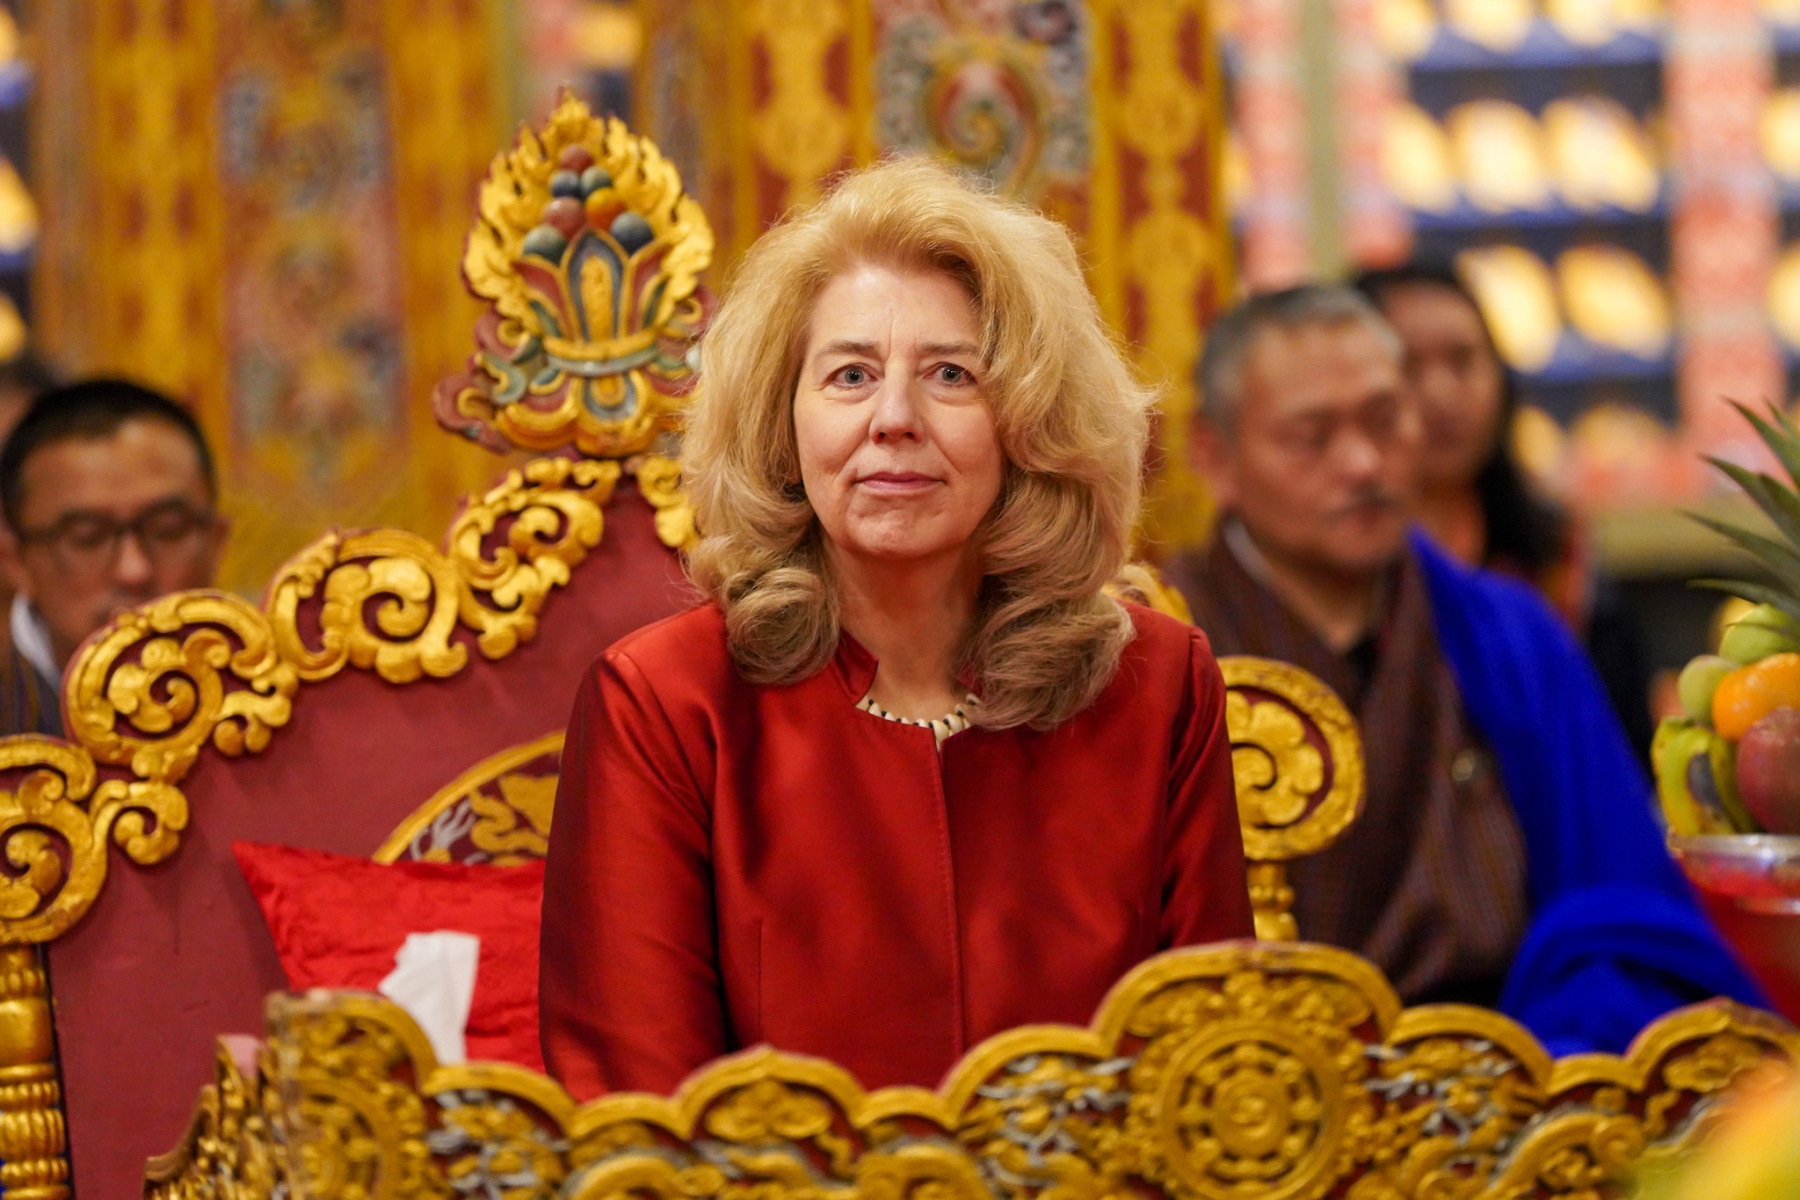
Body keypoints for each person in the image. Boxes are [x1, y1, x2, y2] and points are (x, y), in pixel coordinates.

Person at [540, 158, 1254, 1100]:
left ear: (1030, 422)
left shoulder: (1155, 685)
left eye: (951, 375)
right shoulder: (666, 703)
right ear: (782, 423)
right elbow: (641, 1112)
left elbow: (1211, 1071)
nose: (894, 419)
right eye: (850, 375)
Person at [1167, 285, 1761, 1056]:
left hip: (1516, 1068)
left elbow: (1624, 906)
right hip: (1256, 1087)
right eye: (1311, 437)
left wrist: (1552, 1055)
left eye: (1385, 420)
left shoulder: (1511, 634)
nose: (1363, 463)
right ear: (1215, 457)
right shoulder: (1160, 654)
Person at [1354, 263, 1654, 754]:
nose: (1441, 395)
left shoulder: (1558, 558)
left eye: (1463, 361)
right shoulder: (1344, 570)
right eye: (1407, 367)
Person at [0, 378, 226, 736]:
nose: (134, 570)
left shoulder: (281, 703)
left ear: (217, 542)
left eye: (168, 529)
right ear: (16, 562)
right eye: (87, 538)